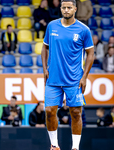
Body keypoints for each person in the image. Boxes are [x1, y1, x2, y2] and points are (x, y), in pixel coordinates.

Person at [41, 0, 94, 149]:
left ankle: (75, 147)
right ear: (61, 8)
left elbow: (90, 54)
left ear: (75, 9)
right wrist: (45, 69)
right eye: (63, 7)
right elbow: (44, 48)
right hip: (53, 78)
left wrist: (85, 77)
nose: (66, 10)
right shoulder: (52, 26)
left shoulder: (83, 30)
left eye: (69, 7)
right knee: (49, 111)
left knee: (76, 112)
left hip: (74, 79)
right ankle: (54, 145)